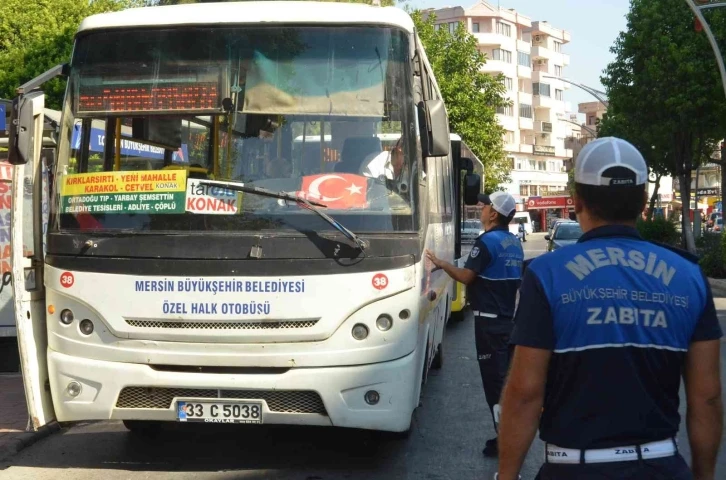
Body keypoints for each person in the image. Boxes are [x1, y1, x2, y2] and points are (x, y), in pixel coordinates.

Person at [496, 137, 723, 480]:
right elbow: (706, 398)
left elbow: (525, 394)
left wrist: (506, 476)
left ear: (577, 202)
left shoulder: (547, 276)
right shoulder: (689, 276)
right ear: (644, 201)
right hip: (661, 466)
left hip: (571, 469)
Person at [426, 191, 524, 458]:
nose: (481, 209)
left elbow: (467, 277)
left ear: (494, 214)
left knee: (494, 386)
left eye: (485, 206)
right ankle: (508, 435)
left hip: (489, 326)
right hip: (508, 323)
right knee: (505, 383)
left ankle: (505, 442)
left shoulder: (486, 242)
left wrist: (441, 263)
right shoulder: (513, 242)